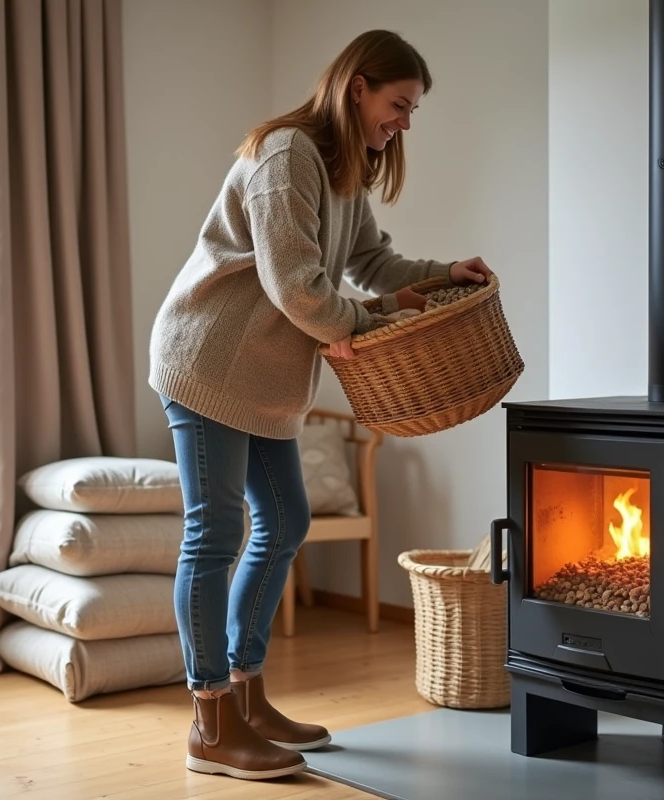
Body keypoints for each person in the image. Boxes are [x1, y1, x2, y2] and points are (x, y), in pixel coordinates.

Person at [148, 29, 494, 781]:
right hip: (208, 363)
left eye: (412, 110)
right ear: (358, 87)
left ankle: (247, 692)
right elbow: (297, 287)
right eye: (399, 104)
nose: (404, 121)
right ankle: (210, 725)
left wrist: (443, 276)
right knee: (214, 535)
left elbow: (371, 262)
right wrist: (370, 325)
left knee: (286, 520)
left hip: (264, 379)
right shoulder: (286, 155)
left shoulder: (345, 170)